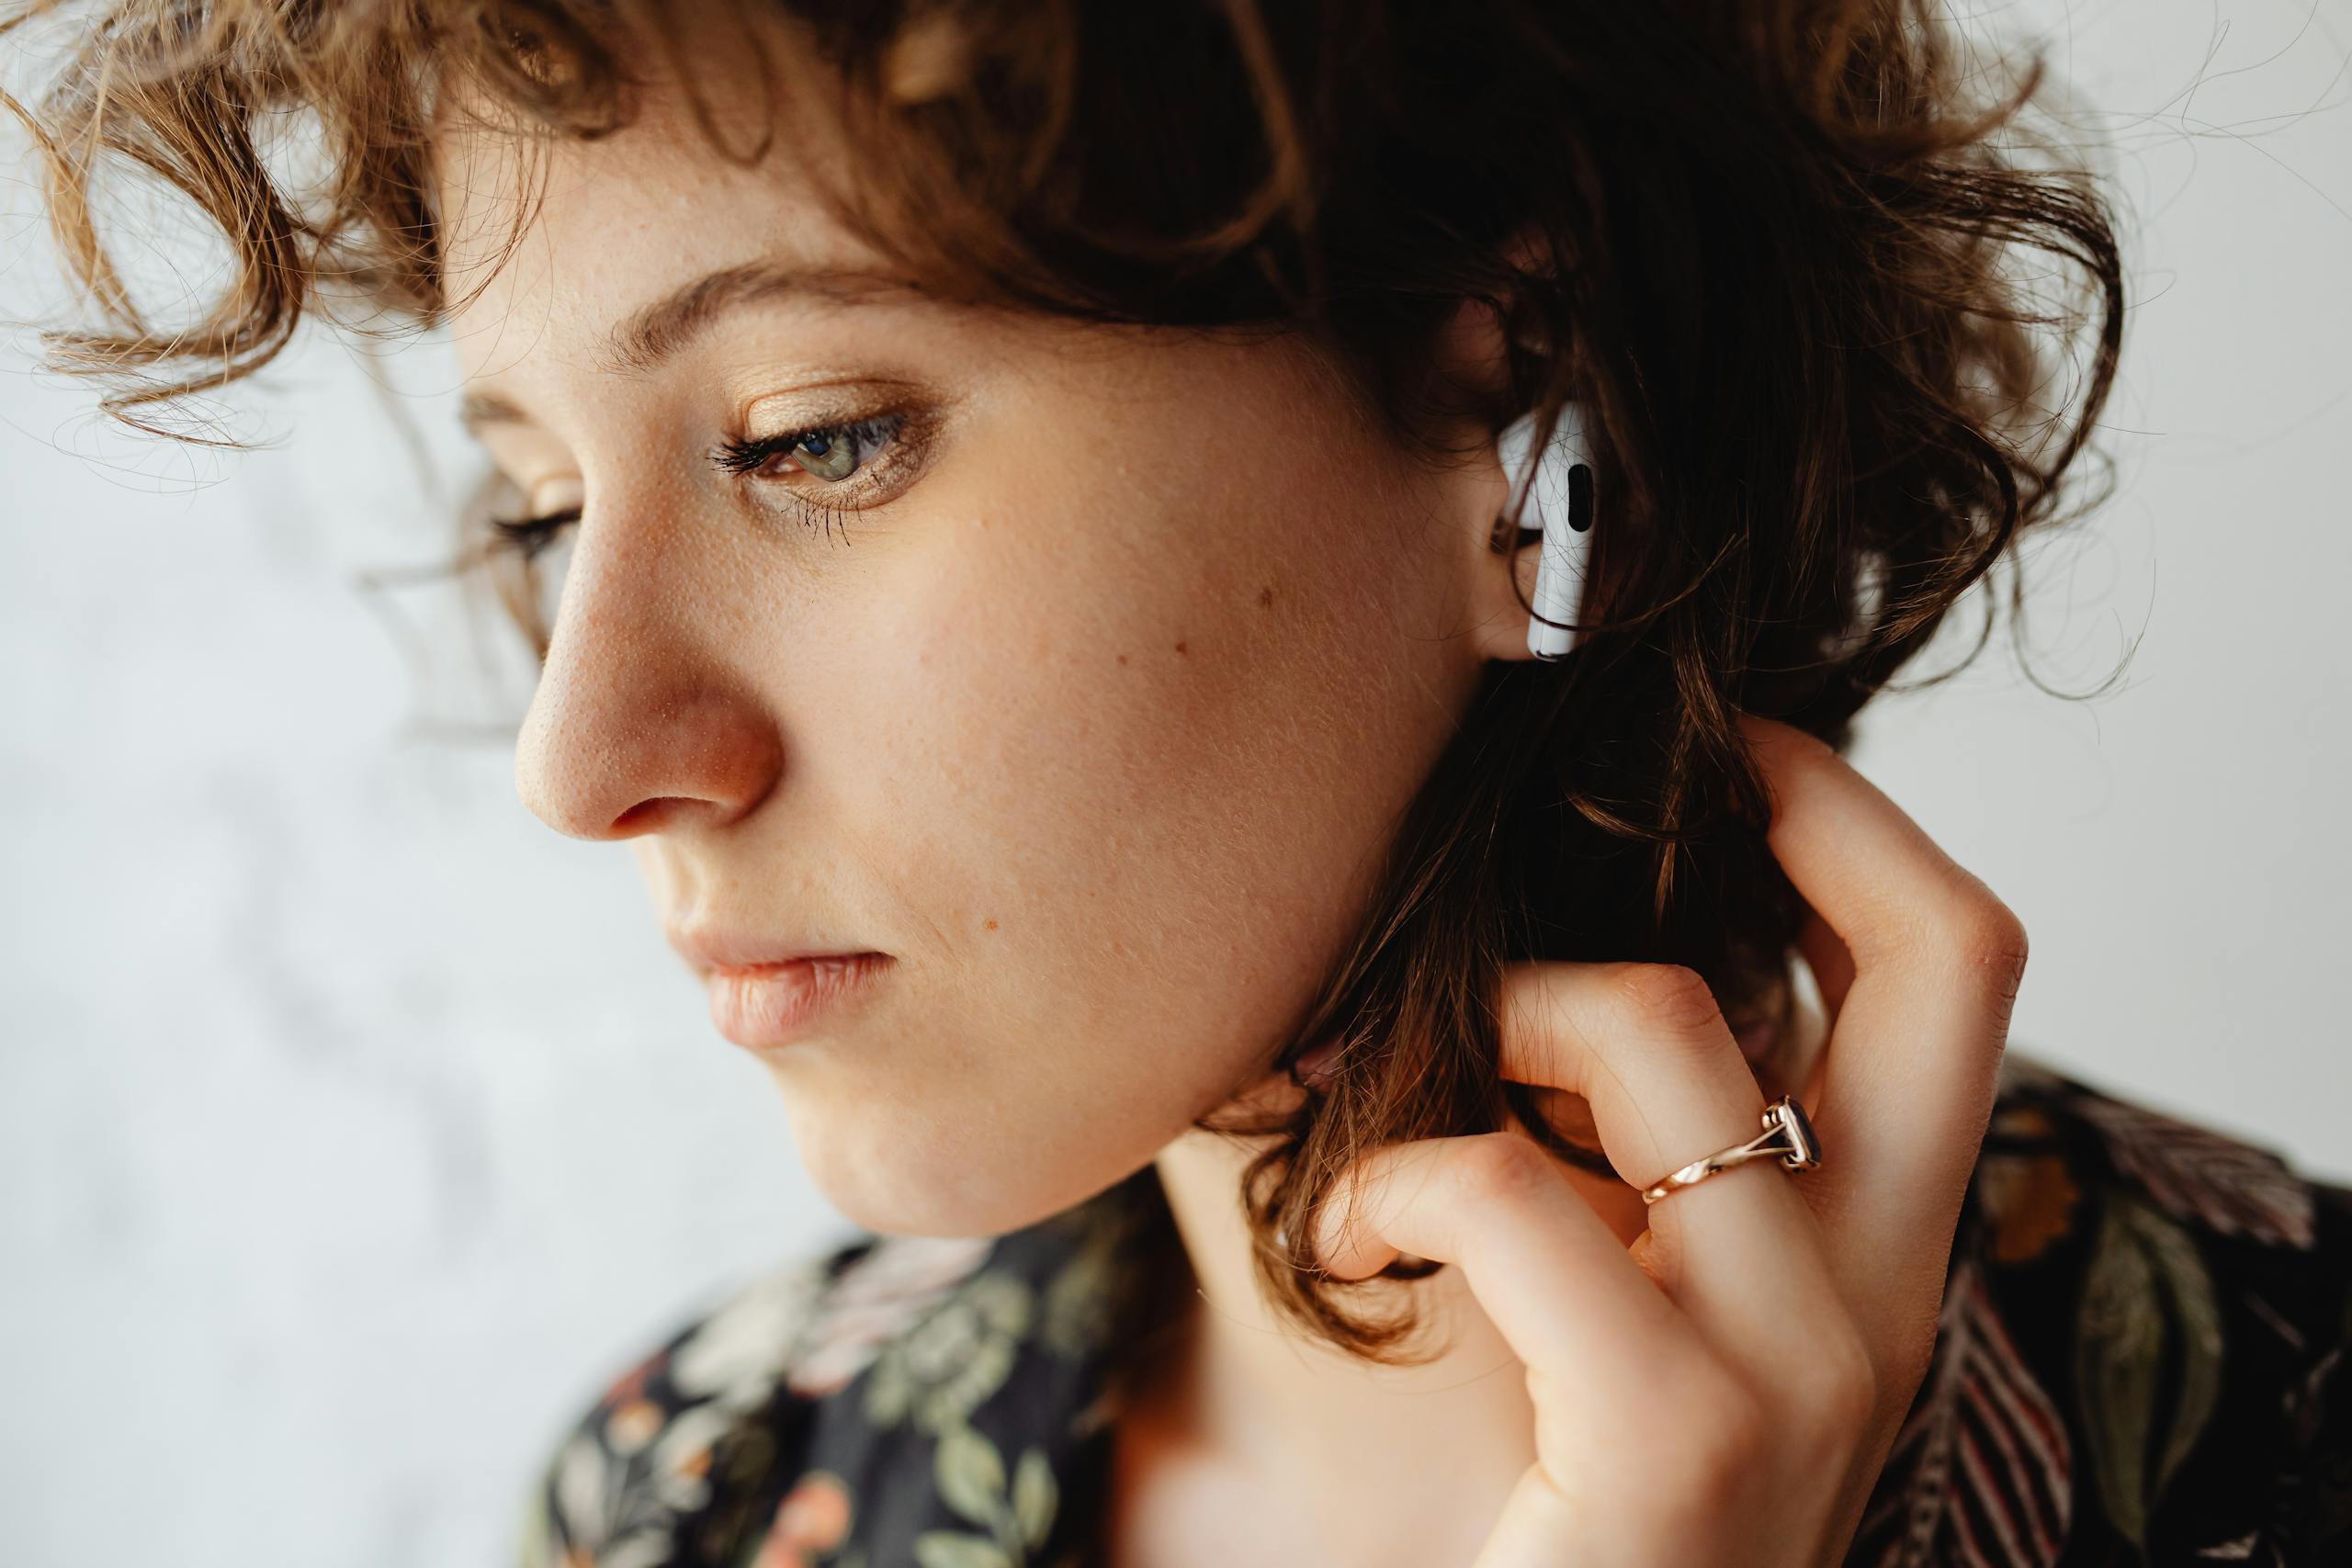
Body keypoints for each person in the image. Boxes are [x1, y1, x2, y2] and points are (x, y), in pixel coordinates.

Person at [6, 1, 2347, 1563]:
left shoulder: (2287, 1422)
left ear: (1519, 410)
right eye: (537, 510)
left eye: (811, 436)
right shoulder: (691, 1502)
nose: (580, 754)